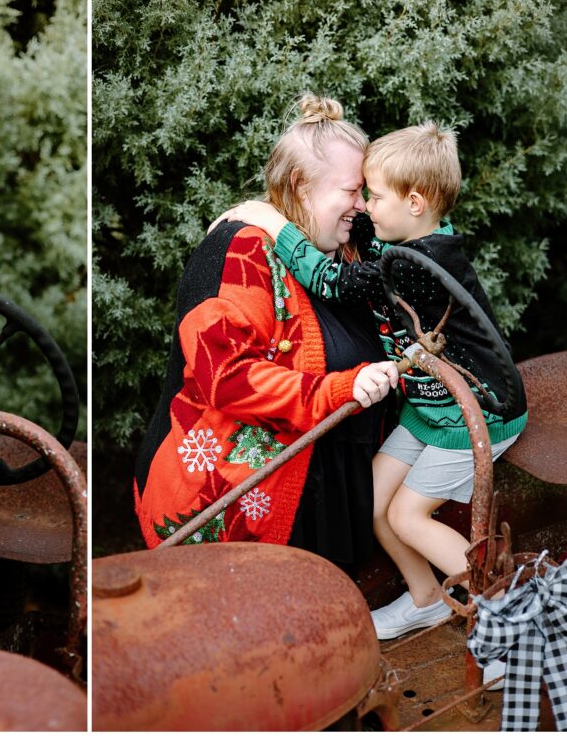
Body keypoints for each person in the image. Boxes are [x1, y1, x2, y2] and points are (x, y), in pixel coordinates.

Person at [222, 124, 527, 647]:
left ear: (414, 201)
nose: (364, 207)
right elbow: (368, 240)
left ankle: (508, 622)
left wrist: (269, 221)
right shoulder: (414, 238)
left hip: (475, 411)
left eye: (374, 195)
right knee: (374, 500)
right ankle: (427, 601)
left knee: (408, 515)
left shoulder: (415, 265)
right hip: (430, 407)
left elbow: (332, 280)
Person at [134, 94, 399, 572]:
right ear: (300, 185)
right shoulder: (238, 251)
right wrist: (338, 389)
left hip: (332, 491)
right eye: (352, 190)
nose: (362, 206)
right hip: (239, 497)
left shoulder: (346, 251)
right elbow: (226, 376)